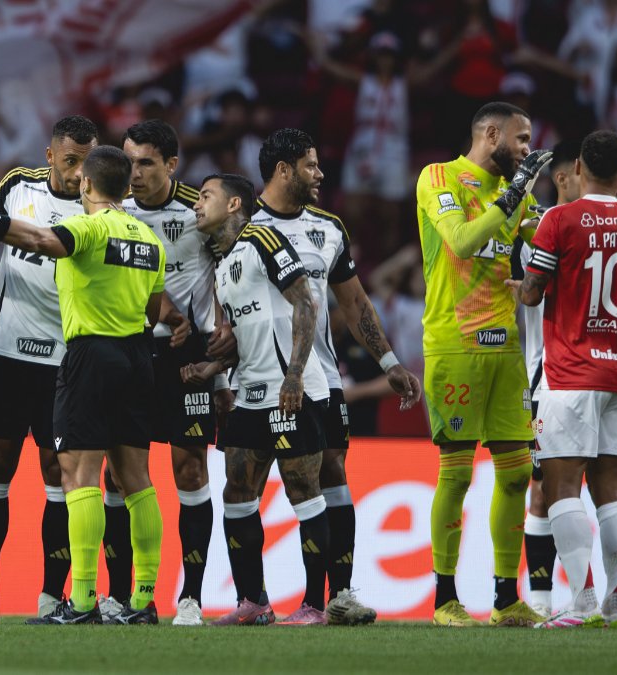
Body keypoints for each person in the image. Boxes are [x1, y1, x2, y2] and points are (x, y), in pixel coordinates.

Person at [0, 145, 169, 625]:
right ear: (127, 187)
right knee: (137, 481)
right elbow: (154, 309)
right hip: (137, 356)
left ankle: (82, 601)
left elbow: (41, 240)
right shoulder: (149, 238)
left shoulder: (86, 228)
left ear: (87, 184)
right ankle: (144, 600)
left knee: (79, 477)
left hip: (90, 355)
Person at [249, 128, 421, 625]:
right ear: (284, 170)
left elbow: (354, 302)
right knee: (249, 485)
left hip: (320, 380)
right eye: (311, 165)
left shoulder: (328, 227)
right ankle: (252, 598)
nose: (321, 174)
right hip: (257, 382)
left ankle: (334, 596)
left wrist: (389, 362)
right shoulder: (242, 225)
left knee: (331, 475)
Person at [0, 116, 98, 624]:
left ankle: (52, 597)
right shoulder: (16, 184)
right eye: (71, 160)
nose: (79, 173)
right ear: (51, 156)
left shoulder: (99, 208)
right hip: (8, 350)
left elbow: (29, 238)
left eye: (86, 162)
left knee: (58, 472)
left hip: (65, 356)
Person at [415, 101, 551, 627]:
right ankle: (444, 598)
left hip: (506, 352)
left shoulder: (518, 197)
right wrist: (514, 195)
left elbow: (552, 242)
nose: (525, 150)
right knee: (455, 476)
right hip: (454, 344)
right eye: (520, 139)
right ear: (490, 133)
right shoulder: (439, 177)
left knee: (517, 476)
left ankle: (504, 597)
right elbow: (463, 241)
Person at [180, 173, 331, 626]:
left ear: (233, 205)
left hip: (290, 391)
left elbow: (306, 304)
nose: (197, 205)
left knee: (303, 490)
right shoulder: (223, 262)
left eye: (205, 196)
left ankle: (316, 605)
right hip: (249, 393)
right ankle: (253, 601)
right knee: (238, 494)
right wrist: (212, 370)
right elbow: (247, 335)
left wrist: (295, 374)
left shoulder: (264, 238)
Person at [97, 119, 227, 626]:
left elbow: (228, 266)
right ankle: (123, 595)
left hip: (184, 356)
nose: (134, 173)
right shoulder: (110, 207)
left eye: (146, 162)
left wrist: (215, 335)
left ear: (172, 164)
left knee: (190, 468)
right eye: (128, 161)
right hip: (125, 350)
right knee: (119, 474)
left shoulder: (201, 210)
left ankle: (191, 596)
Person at [518, 129, 617, 629]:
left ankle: (581, 603)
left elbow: (535, 293)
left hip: (569, 371)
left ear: (579, 168)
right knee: (612, 487)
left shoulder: (558, 220)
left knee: (562, 484)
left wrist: (525, 288)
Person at [516, 140, 582, 618]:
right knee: (545, 488)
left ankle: (601, 596)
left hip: (602, 375)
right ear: (566, 176)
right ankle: (540, 602)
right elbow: (532, 292)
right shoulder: (535, 232)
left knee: (604, 486)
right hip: (548, 376)